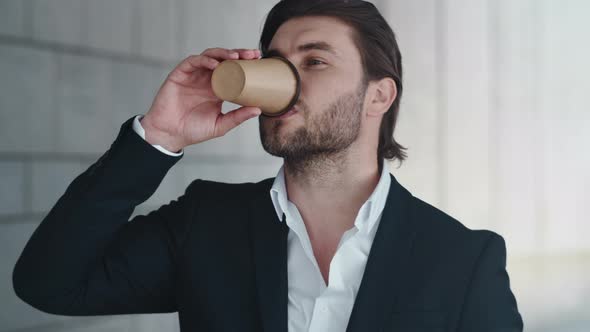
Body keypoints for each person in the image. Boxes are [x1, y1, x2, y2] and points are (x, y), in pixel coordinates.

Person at [12, 0, 523, 331]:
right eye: (275, 62)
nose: (286, 81)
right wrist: (158, 136)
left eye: (314, 61)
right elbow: (49, 283)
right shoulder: (206, 223)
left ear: (378, 96)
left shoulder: (462, 259)